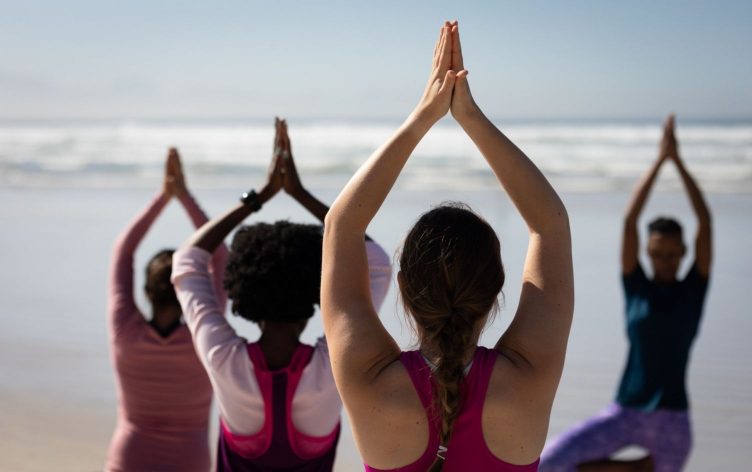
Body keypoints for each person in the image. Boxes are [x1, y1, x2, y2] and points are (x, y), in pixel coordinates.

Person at [321, 22, 573, 472]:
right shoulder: (528, 376)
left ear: (404, 287)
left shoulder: (369, 381)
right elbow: (550, 226)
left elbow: (341, 226)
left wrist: (424, 115)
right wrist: (470, 116)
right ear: (497, 287)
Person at [171, 118, 392, 471]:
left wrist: (257, 198)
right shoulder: (332, 366)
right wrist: (300, 193)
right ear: (313, 300)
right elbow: (376, 263)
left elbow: (187, 261)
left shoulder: (223, 358)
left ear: (245, 297)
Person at [539, 115, 713, 472]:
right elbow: (630, 221)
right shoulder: (637, 288)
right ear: (647, 252)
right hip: (627, 412)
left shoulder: (693, 291)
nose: (665, 260)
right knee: (552, 462)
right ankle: (635, 468)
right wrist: (659, 161)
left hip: (673, 421)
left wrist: (678, 164)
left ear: (684, 252)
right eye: (657, 253)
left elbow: (705, 223)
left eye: (672, 253)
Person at [106, 148, 228, 472]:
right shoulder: (205, 335)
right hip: (189, 460)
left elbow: (123, 251)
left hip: (129, 457)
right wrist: (185, 196)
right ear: (185, 293)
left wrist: (163, 197)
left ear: (147, 291)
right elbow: (220, 255)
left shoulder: (124, 332)